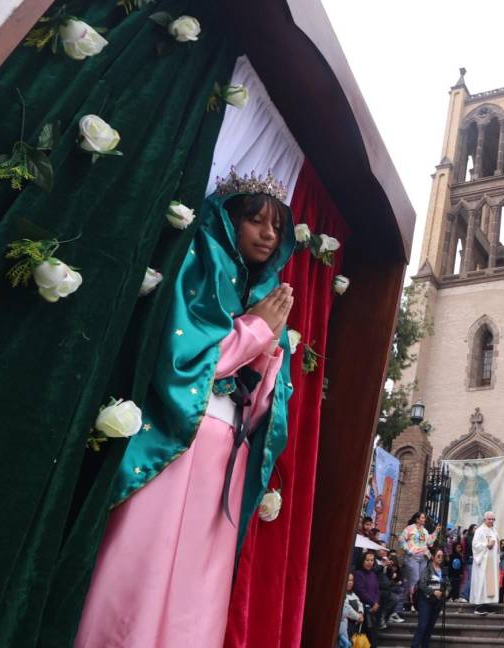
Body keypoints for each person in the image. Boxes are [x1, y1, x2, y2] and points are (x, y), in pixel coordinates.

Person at [76, 175, 297, 647]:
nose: (268, 234)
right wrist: (255, 332)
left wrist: (269, 352)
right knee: (144, 566)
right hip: (178, 444)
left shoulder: (268, 297)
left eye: (277, 226)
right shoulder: (197, 272)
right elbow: (184, 364)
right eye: (255, 220)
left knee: (199, 586)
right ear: (228, 220)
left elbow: (260, 413)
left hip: (226, 458)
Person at [411, 548, 449, 648]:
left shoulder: (443, 571)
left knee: (430, 627)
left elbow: (448, 584)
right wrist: (433, 592)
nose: (440, 558)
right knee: (422, 626)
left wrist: (447, 591)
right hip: (425, 600)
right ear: (433, 557)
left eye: (442, 556)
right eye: (438, 556)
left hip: (437, 603)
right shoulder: (427, 569)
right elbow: (422, 585)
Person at [398, 511, 436, 606]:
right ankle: (412, 602)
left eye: (424, 518)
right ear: (417, 519)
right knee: (415, 579)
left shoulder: (424, 530)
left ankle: (417, 601)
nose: (424, 519)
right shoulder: (410, 528)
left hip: (423, 557)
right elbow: (401, 540)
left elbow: (429, 542)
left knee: (421, 580)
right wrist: (409, 550)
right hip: (413, 558)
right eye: (422, 518)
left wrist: (436, 532)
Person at [469, 511, 500, 614]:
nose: (491, 521)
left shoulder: (494, 531)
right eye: (489, 519)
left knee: (490, 584)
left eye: (493, 519)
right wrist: (487, 545)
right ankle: (479, 605)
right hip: (483, 562)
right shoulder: (480, 530)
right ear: (484, 519)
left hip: (491, 561)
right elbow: (475, 545)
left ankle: (488, 604)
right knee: (482, 583)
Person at [353, 550, 381, 646]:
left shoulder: (373, 575)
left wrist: (376, 603)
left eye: (372, 560)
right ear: (362, 561)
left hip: (374, 609)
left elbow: (377, 590)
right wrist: (373, 603)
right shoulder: (358, 574)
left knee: (373, 638)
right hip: (364, 609)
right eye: (367, 560)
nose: (369, 562)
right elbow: (360, 591)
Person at [342, 572, 364, 648]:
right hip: (345, 627)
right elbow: (347, 609)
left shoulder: (353, 594)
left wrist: (361, 612)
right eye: (348, 580)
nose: (350, 582)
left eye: (352, 580)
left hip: (354, 626)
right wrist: (358, 617)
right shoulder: (342, 595)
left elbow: (360, 604)